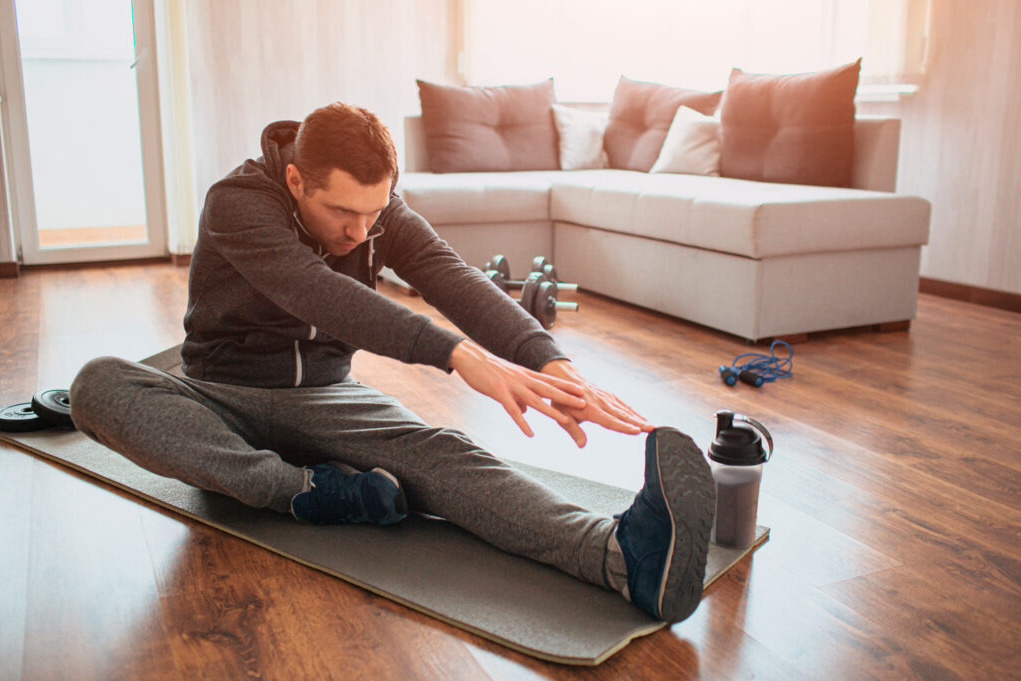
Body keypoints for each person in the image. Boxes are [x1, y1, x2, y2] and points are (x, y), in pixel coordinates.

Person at [69, 102, 715, 623]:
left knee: (445, 451)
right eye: (341, 213)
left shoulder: (377, 212)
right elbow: (323, 294)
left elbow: (449, 275)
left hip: (327, 397)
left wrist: (545, 358)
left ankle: (619, 557)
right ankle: (302, 492)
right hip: (218, 392)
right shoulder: (237, 204)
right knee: (96, 384)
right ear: (295, 180)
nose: (359, 232)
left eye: (374, 213)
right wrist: (455, 354)